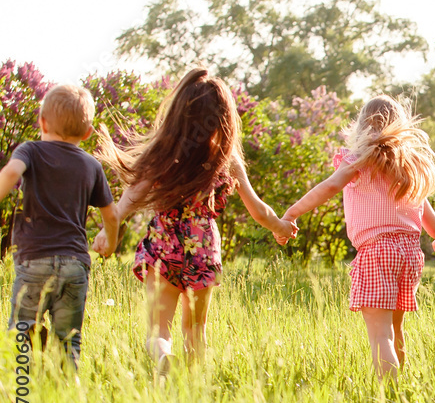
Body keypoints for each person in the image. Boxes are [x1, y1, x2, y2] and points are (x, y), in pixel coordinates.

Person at [93, 68, 296, 378]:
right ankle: (192, 392)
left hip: (163, 246)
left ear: (179, 111)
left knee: (158, 329)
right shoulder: (226, 158)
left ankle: (162, 356)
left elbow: (128, 201)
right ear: (223, 117)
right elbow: (258, 211)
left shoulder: (163, 152)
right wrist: (280, 227)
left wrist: (107, 232)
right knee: (195, 331)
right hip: (202, 250)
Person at [280, 95, 435, 380]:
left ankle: (389, 393)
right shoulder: (408, 169)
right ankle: (402, 387)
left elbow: (328, 187)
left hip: (377, 251)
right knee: (396, 329)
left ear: (361, 126)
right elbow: (432, 221)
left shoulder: (358, 161)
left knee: (380, 335)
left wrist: (291, 213)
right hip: (410, 254)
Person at [0, 85, 118, 370]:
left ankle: (20, 402)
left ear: (42, 122)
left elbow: (13, 172)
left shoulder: (30, 150)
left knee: (20, 335)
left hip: (34, 262)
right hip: (75, 265)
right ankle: (69, 399)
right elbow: (112, 215)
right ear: (88, 133)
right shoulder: (92, 165)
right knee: (69, 342)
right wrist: (110, 244)